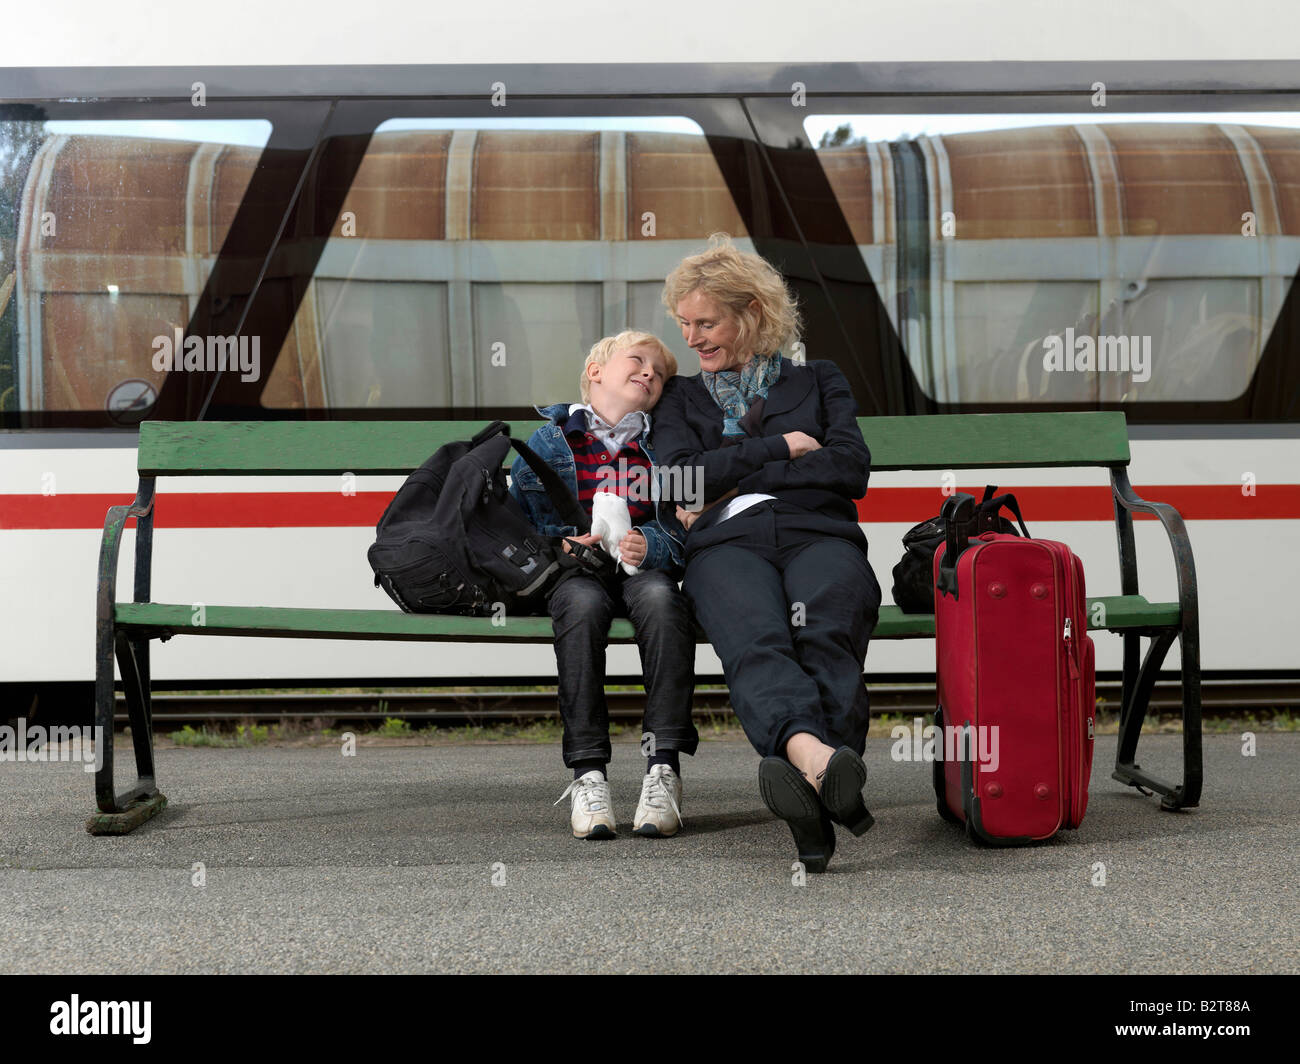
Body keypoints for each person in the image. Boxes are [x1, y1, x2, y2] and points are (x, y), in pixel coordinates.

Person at [651, 234, 882, 873]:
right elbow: (676, 481)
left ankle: (807, 787)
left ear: (752, 311)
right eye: (684, 326)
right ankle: (822, 765)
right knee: (757, 638)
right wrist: (782, 449)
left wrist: (722, 474)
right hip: (728, 546)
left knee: (828, 629)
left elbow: (851, 469)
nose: (692, 340)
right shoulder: (680, 399)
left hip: (820, 535)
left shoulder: (818, 378)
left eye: (707, 322)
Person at [509, 330, 697, 840]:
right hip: (578, 574)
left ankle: (664, 768)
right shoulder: (548, 441)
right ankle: (588, 775)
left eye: (658, 375)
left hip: (644, 571)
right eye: (637, 362)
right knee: (581, 608)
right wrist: (563, 546)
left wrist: (649, 543)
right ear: (595, 372)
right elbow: (520, 529)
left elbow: (688, 527)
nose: (649, 374)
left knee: (662, 600)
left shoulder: (668, 442)